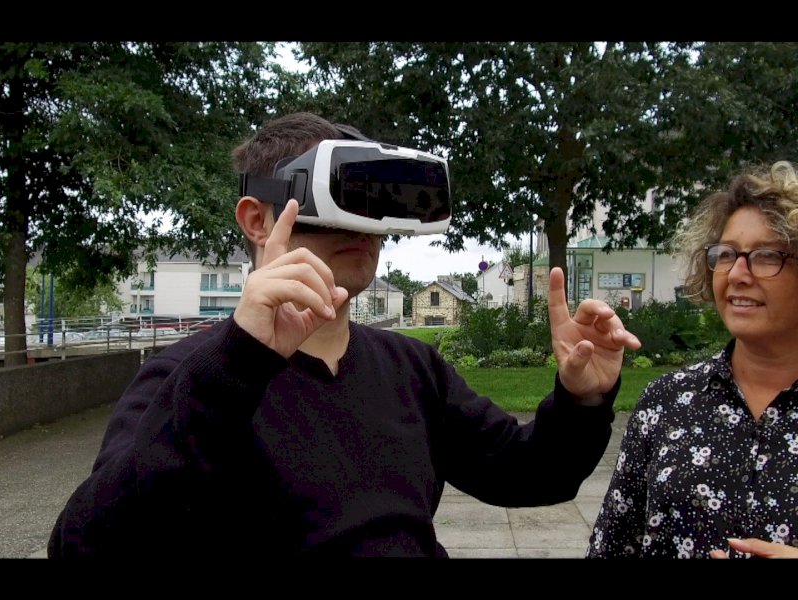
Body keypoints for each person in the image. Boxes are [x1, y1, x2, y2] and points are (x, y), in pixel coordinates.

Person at [48, 111, 640, 558]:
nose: (361, 228)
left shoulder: (413, 370)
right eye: (337, 200)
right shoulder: (190, 378)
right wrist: (238, 365)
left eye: (373, 206)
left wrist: (581, 400)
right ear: (257, 219)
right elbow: (87, 544)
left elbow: (532, 473)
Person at [586, 160, 798, 559]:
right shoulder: (667, 402)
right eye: (726, 254)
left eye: (767, 255)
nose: (737, 274)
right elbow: (612, 546)